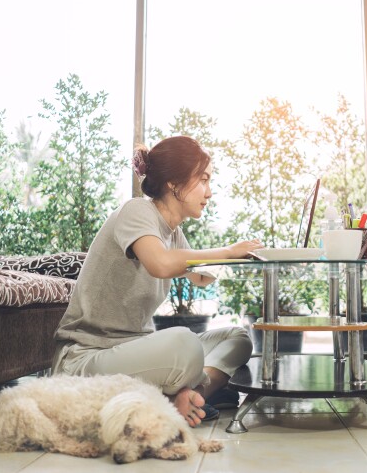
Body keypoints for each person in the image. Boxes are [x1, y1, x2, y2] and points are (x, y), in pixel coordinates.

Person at [52, 136, 260, 427]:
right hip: (85, 358)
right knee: (184, 344)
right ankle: (186, 393)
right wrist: (227, 251)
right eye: (203, 180)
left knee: (237, 337)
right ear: (174, 183)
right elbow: (160, 263)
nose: (209, 192)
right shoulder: (137, 211)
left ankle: (191, 396)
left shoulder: (171, 232)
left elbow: (200, 276)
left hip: (135, 349)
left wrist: (247, 256)